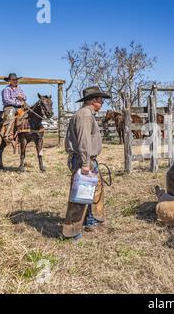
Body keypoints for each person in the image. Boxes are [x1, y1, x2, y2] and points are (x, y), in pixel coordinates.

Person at [63, 86, 111, 240]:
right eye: (101, 100)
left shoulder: (86, 114)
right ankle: (73, 231)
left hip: (87, 158)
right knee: (80, 194)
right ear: (93, 100)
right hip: (84, 159)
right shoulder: (84, 115)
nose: (102, 102)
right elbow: (84, 141)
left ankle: (90, 221)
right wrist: (85, 163)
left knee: (90, 192)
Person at [1, 73, 27, 143]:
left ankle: (24, 132)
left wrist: (22, 97)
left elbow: (25, 97)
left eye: (16, 79)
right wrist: (17, 102)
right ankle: (8, 134)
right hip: (9, 107)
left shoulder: (19, 89)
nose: (15, 81)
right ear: (9, 80)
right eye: (13, 80)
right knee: (10, 117)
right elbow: (7, 100)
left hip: (19, 108)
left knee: (26, 116)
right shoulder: (6, 89)